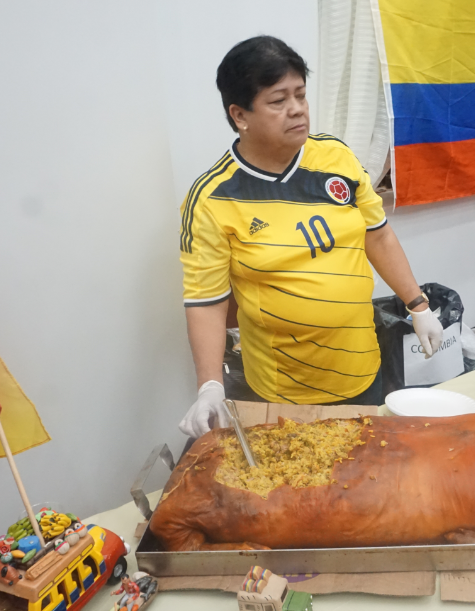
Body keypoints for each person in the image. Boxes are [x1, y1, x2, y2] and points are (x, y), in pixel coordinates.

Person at [177, 36, 442, 438]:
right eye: (278, 100)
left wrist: (417, 304)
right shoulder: (212, 198)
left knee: (361, 463)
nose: (297, 108)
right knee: (301, 472)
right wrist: (210, 385)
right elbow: (206, 301)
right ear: (240, 115)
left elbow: (378, 236)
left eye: (300, 94)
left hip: (361, 368)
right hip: (285, 390)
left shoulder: (336, 158)